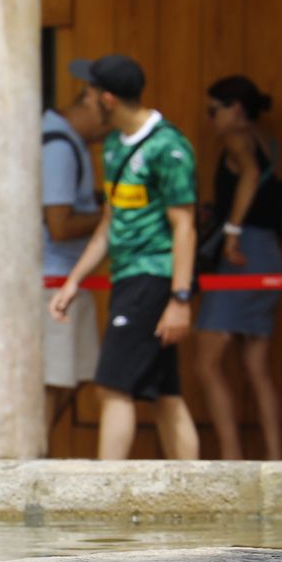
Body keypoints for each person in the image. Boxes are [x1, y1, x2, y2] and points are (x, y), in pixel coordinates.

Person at [50, 54, 200, 460]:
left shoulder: (170, 148)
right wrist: (74, 281)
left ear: (108, 98)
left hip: (154, 276)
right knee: (165, 394)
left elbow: (184, 226)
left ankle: (104, 495)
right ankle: (196, 491)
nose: (86, 100)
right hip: (125, 276)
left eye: (91, 93)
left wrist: (180, 299)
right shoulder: (114, 147)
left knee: (113, 386)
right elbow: (108, 225)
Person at [195, 76, 282, 461]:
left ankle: (232, 461)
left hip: (241, 255)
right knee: (257, 365)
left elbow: (249, 176)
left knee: (206, 362)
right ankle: (277, 459)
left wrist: (231, 232)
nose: (211, 119)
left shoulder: (237, 139)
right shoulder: (280, 149)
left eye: (213, 110)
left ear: (235, 108)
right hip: (270, 252)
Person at [40, 84, 109, 437]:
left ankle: (36, 453)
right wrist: (112, 215)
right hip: (51, 278)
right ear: (89, 100)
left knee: (72, 376)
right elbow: (60, 225)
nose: (107, 130)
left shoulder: (68, 143)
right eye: (106, 120)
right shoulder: (58, 147)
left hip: (65, 276)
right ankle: (31, 461)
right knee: (52, 379)